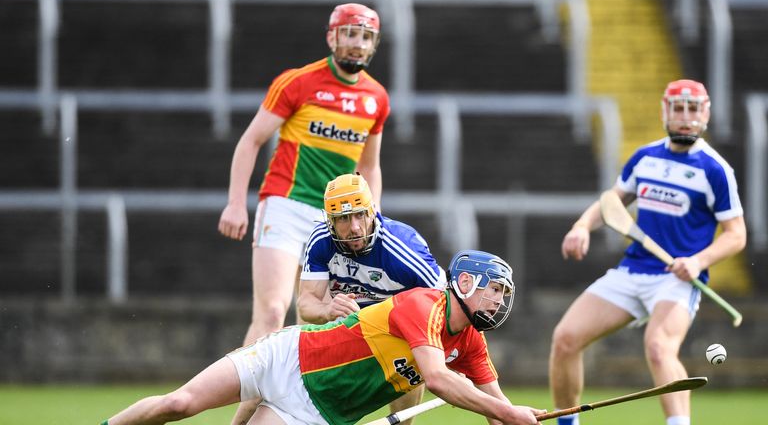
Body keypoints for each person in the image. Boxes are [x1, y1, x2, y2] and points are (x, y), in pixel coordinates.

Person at [102, 250, 546, 425]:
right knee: (177, 405)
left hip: (312, 412)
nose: (499, 302)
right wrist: (508, 414)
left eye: (503, 295)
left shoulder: (470, 343)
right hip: (286, 356)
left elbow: (498, 409)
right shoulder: (421, 305)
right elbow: (438, 380)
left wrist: (515, 418)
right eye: (496, 291)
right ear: (465, 282)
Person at [216, 3, 389, 424]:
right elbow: (251, 140)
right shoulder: (298, 82)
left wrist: (374, 220)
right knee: (272, 314)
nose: (356, 42)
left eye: (365, 36)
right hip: (286, 204)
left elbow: (369, 168)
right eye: (348, 33)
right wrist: (237, 201)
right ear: (332, 37)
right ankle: (236, 419)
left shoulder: (376, 98)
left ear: (374, 44)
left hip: (336, 221)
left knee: (312, 324)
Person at [550, 79, 747, 425]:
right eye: (678, 108)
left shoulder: (716, 171)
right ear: (664, 111)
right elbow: (611, 203)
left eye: (693, 109)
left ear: (706, 113)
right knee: (565, 339)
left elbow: (737, 235)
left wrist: (698, 261)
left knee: (659, 347)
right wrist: (581, 226)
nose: (685, 118)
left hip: (677, 280)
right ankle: (567, 422)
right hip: (633, 271)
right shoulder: (645, 158)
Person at [297, 173, 446, 423]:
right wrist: (327, 309)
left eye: (360, 215)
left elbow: (446, 304)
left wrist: (453, 355)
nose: (354, 227)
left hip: (396, 328)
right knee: (295, 346)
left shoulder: (404, 248)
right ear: (330, 221)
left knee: (413, 350)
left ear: (372, 211)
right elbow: (306, 304)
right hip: (348, 326)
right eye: (343, 218)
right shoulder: (321, 240)